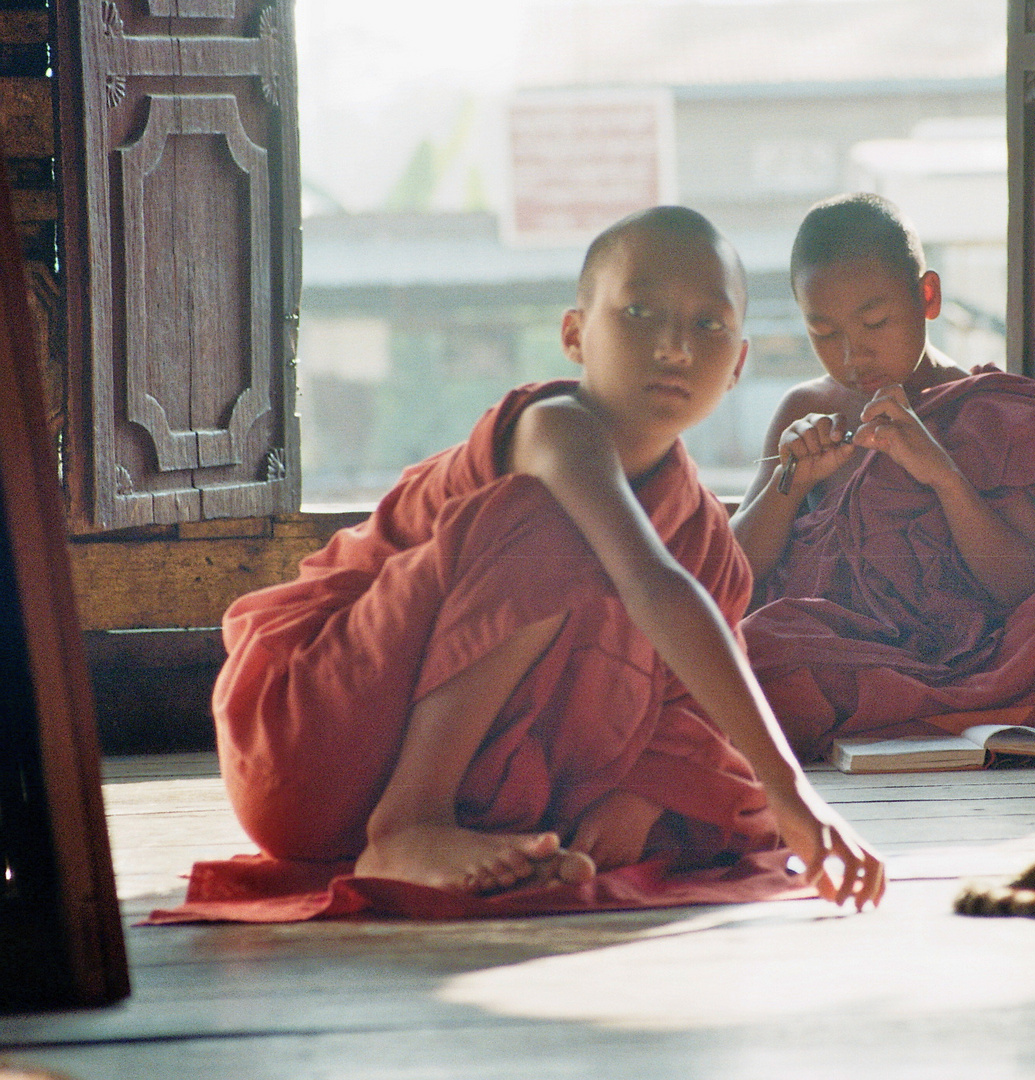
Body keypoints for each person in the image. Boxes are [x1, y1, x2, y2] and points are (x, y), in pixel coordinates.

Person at [212, 206, 884, 910]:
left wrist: (645, 794)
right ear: (573, 335)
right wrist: (798, 796)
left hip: (497, 800)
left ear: (740, 362)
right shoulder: (553, 429)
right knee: (545, 524)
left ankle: (486, 836)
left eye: (707, 325)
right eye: (640, 312)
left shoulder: (703, 536)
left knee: (722, 771)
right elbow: (653, 585)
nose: (676, 348)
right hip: (317, 740)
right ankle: (411, 823)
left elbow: (687, 705)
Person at [731, 193, 1035, 762]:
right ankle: (963, 718)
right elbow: (734, 573)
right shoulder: (803, 410)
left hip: (984, 656)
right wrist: (793, 483)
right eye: (823, 332)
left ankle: (923, 713)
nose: (852, 355)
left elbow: (1016, 586)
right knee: (750, 647)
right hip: (845, 651)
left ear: (928, 296)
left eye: (874, 321)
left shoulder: (987, 411)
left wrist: (942, 476)